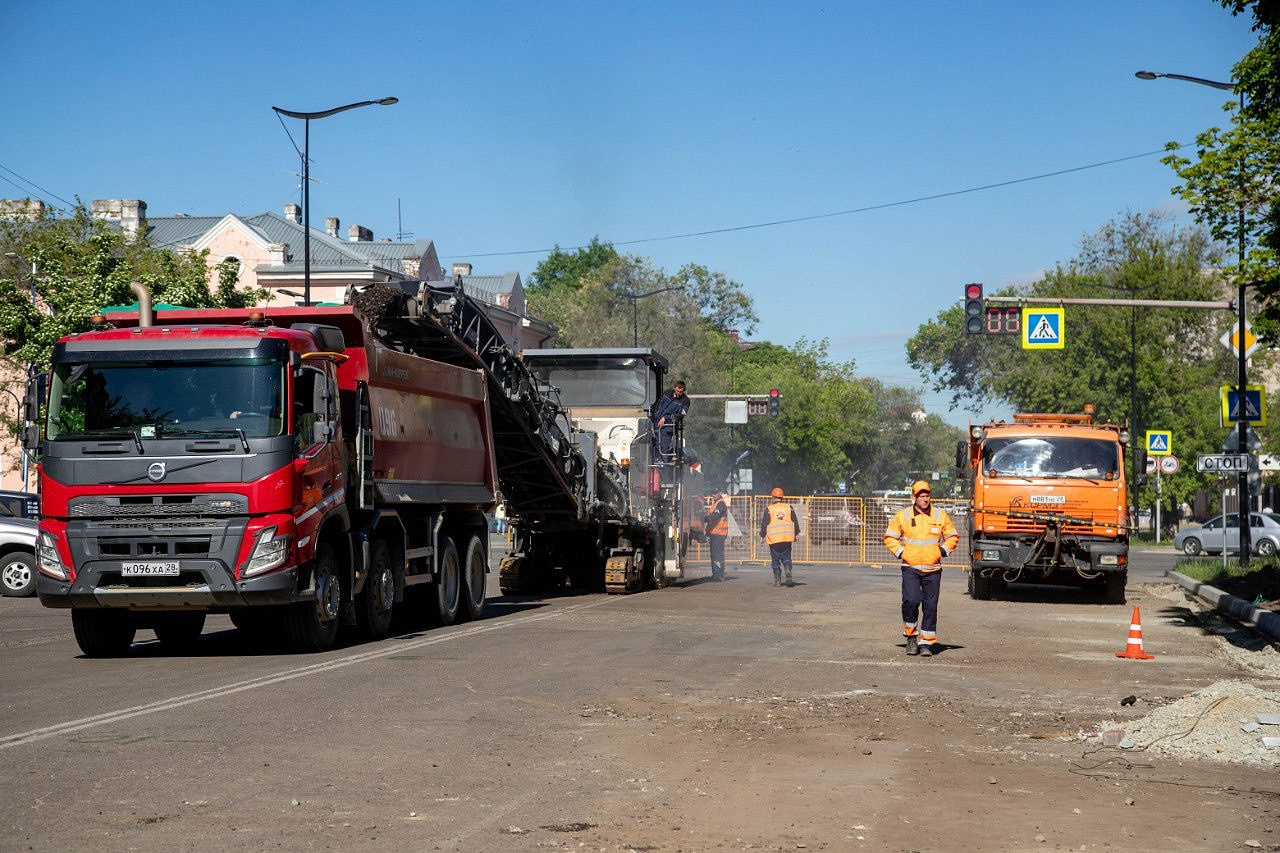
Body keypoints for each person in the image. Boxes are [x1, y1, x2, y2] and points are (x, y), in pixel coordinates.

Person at [883, 480, 959, 657]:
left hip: (933, 569)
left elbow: (952, 536)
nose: (925, 499)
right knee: (911, 601)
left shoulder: (939, 516)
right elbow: (890, 537)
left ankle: (926, 643)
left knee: (930, 606)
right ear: (914, 497)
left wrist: (941, 551)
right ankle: (910, 638)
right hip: (911, 567)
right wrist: (902, 553)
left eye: (927, 495)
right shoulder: (903, 516)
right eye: (921, 496)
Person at [759, 486, 800, 587]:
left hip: (774, 540)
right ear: (782, 497)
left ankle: (777, 581)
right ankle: (787, 570)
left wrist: (761, 536)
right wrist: (796, 534)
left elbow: (765, 524)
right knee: (786, 557)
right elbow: (795, 521)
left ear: (773, 497)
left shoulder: (769, 509)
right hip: (786, 538)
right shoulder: (789, 507)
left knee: (775, 559)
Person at [651, 380, 691, 458]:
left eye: (681, 392)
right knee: (652, 445)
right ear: (674, 388)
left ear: (684, 391)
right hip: (655, 422)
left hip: (668, 427)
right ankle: (653, 466)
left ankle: (663, 467)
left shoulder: (685, 401)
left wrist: (666, 418)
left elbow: (681, 415)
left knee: (663, 449)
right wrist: (653, 415)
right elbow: (657, 405)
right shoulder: (667, 393)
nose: (679, 393)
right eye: (677, 391)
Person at [704, 490, 730, 581]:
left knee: (717, 555)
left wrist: (707, 518)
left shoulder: (721, 504)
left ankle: (718, 575)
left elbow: (715, 515)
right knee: (714, 555)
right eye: (712, 493)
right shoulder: (716, 503)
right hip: (714, 533)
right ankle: (716, 574)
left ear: (720, 493)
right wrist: (708, 531)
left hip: (719, 534)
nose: (713, 495)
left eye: (714, 493)